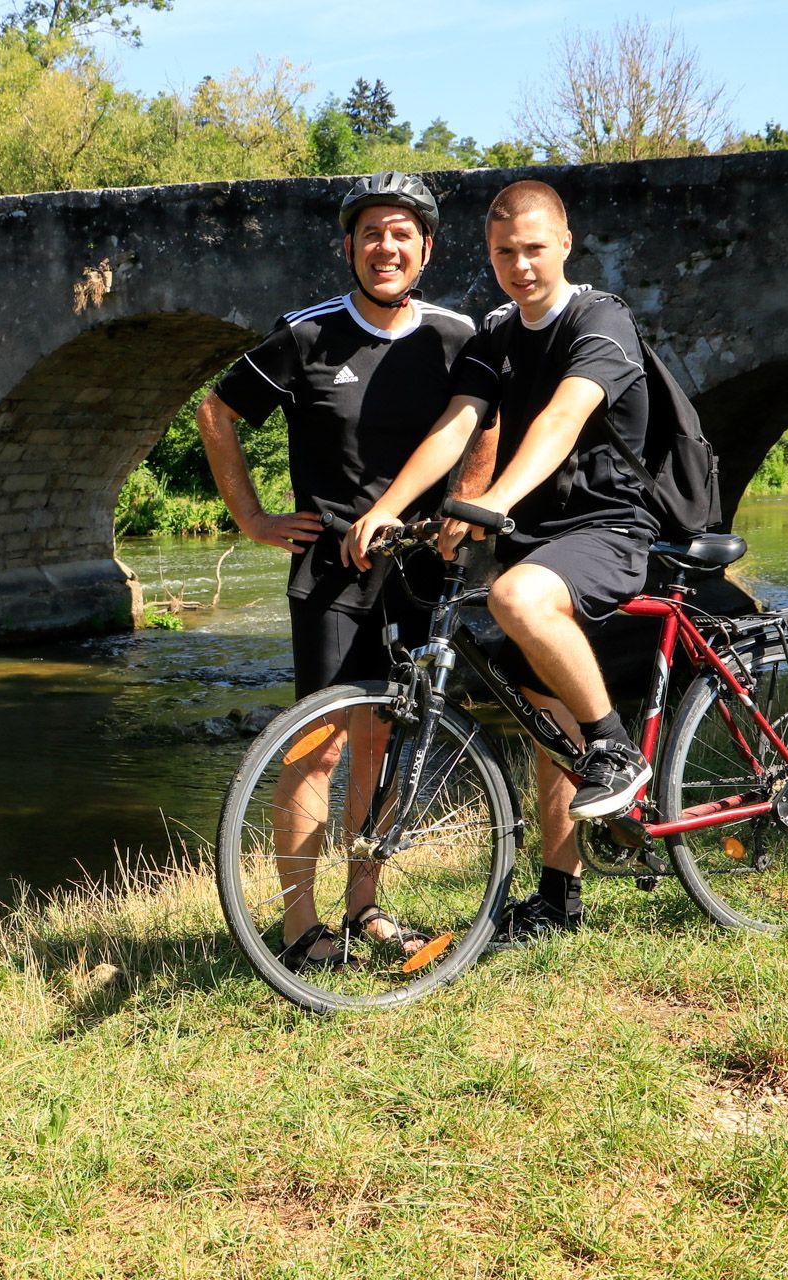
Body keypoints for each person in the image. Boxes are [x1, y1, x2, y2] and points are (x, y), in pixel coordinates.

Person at [343, 178, 658, 944]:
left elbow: (562, 418)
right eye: (504, 253)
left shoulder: (599, 320)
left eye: (534, 250)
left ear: (566, 245)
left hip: (610, 526)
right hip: (539, 534)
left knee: (516, 597)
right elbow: (459, 424)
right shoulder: (495, 332)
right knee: (542, 713)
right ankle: (558, 896)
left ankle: (615, 748)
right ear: (489, 255)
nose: (520, 267)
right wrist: (394, 504)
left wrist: (492, 501)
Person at [195, 171, 485, 969]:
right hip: (332, 566)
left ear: (425, 248)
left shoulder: (456, 336)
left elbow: (483, 425)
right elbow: (215, 412)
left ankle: (364, 906)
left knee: (383, 735)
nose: (385, 247)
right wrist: (251, 518)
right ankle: (299, 928)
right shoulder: (307, 335)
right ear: (349, 248)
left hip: (421, 563)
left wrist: (466, 506)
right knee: (315, 744)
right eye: (370, 234)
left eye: (402, 234)